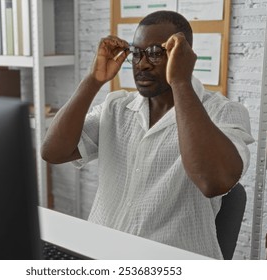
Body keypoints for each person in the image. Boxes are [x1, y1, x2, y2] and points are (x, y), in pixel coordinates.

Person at [41, 10, 254, 259]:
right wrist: (93, 80)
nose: (141, 64)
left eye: (154, 53)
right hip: (99, 253)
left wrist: (181, 82)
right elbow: (52, 152)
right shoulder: (117, 107)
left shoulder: (224, 112)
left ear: (183, 56)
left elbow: (213, 181)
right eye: (136, 53)